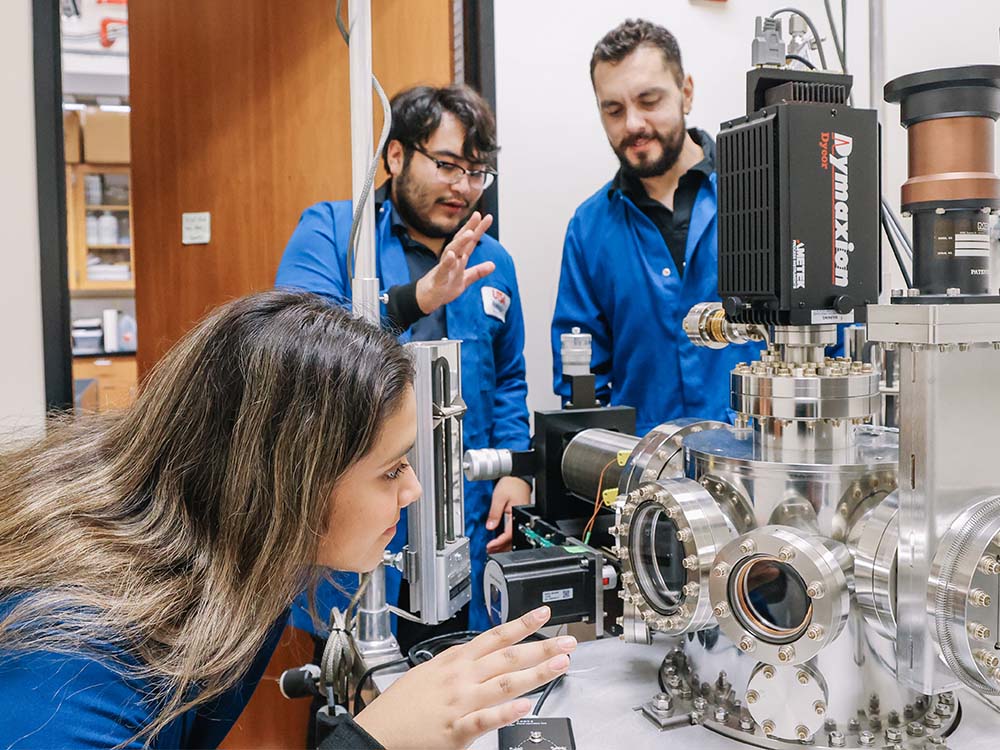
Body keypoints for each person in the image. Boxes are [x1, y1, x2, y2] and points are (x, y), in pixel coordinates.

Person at [0, 291, 574, 749]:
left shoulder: (237, 553)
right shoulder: (76, 663)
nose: (414, 490)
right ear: (290, 484)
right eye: (392, 470)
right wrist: (373, 740)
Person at [276, 84, 530, 634]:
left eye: (476, 171)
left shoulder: (492, 261)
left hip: (466, 522)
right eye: (447, 165)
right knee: (361, 695)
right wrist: (415, 300)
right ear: (396, 156)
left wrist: (515, 469)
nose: (463, 186)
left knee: (461, 684)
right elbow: (300, 352)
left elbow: (509, 378)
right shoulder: (333, 232)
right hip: (361, 526)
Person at [551, 19, 755, 435]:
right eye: (614, 110)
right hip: (644, 478)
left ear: (686, 93)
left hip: (757, 467)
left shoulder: (758, 197)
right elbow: (581, 379)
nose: (633, 125)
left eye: (648, 100)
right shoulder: (588, 229)